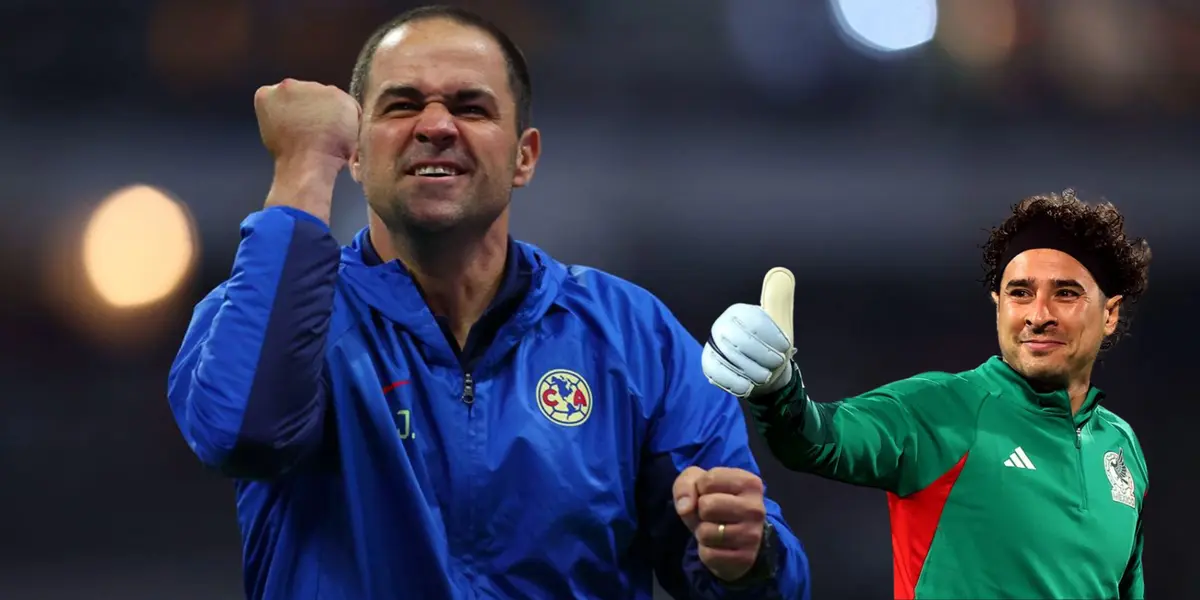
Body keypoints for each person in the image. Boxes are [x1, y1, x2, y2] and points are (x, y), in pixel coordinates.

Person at [167, 5, 811, 599]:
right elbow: (244, 434)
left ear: (523, 158)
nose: (438, 126)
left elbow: (750, 571)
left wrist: (749, 558)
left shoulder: (632, 336)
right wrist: (304, 164)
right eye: (402, 105)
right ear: (356, 155)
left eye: (471, 108)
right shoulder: (266, 313)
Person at [701, 190, 1150, 599]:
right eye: (1020, 293)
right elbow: (816, 438)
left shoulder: (1121, 448)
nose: (1038, 315)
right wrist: (778, 390)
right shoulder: (940, 408)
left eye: (1066, 294)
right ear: (999, 305)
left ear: (1109, 313)